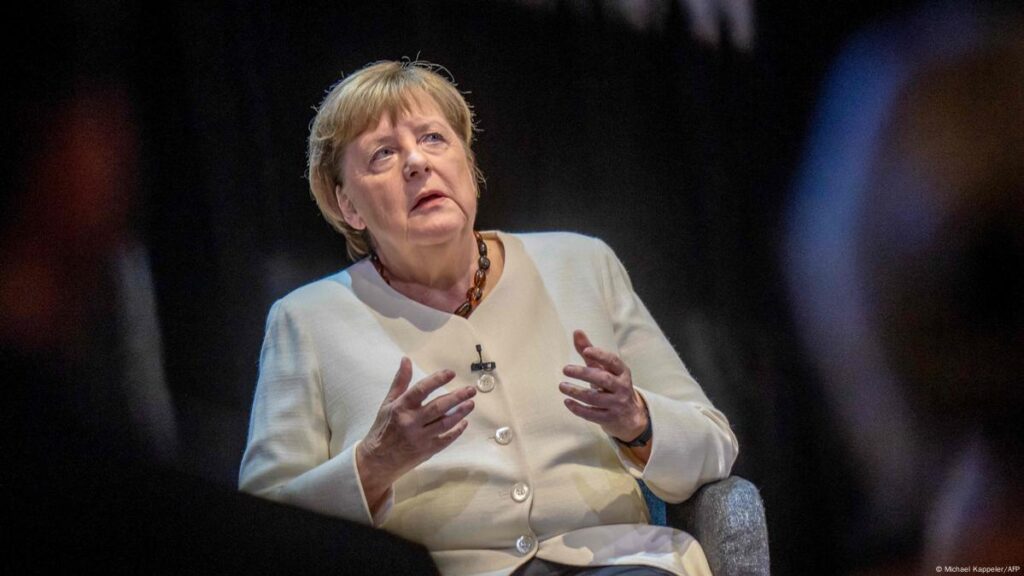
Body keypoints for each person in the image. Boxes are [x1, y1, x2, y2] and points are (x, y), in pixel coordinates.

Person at [239, 60, 738, 576]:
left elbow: (715, 447)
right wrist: (374, 464)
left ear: (468, 165)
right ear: (349, 206)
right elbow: (260, 528)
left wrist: (637, 420)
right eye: (383, 153)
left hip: (618, 563)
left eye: (433, 138)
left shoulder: (583, 264)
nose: (416, 162)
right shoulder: (306, 320)